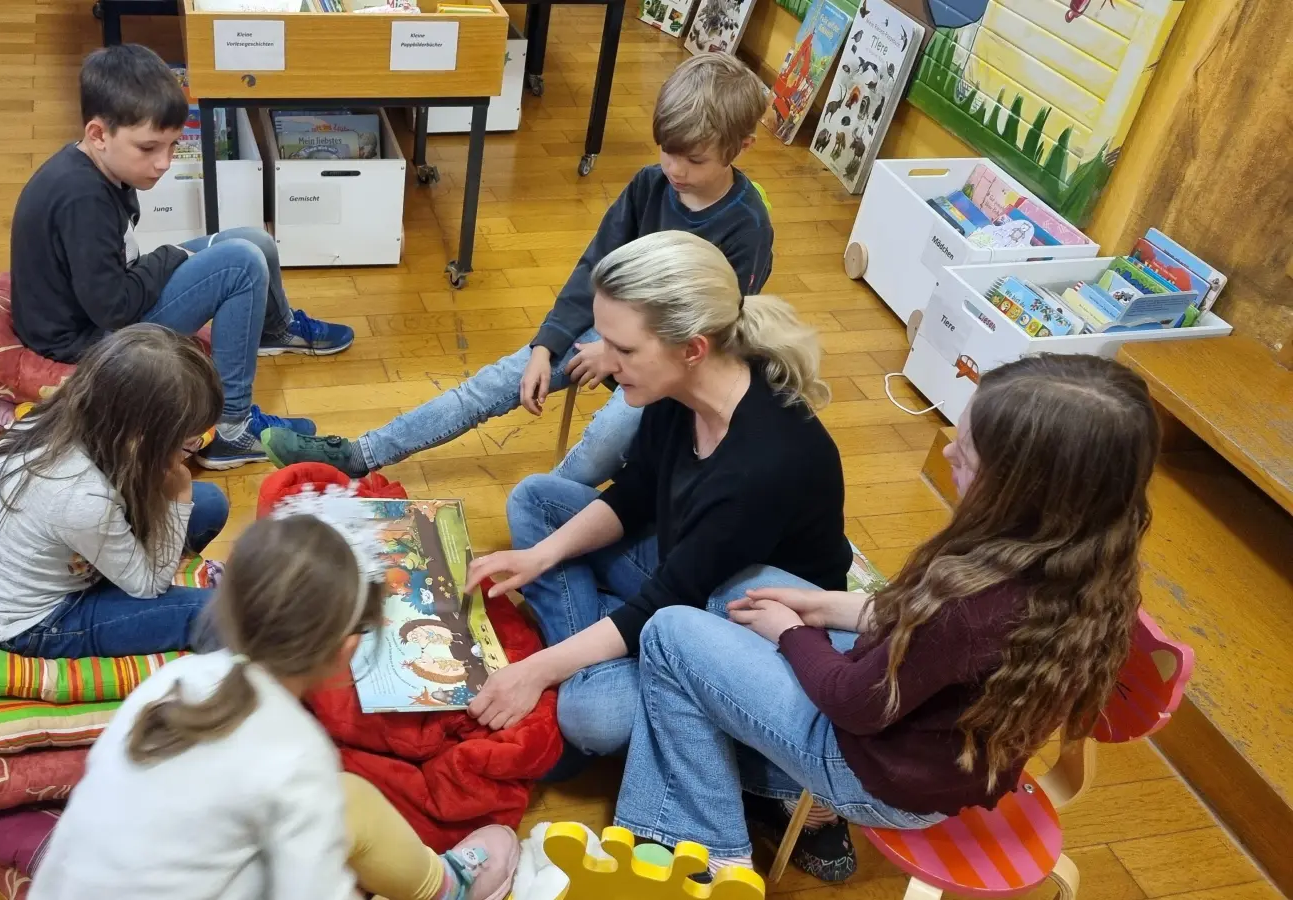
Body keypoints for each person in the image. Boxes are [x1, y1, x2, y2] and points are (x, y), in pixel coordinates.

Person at [612, 355, 1162, 883]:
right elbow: (919, 626)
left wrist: (794, 633)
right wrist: (825, 605)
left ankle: (714, 856)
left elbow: (855, 703)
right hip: (940, 756)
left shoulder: (973, 606)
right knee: (743, 586)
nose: (947, 454)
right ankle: (774, 785)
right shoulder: (1093, 563)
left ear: (1025, 491)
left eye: (966, 456)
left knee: (667, 633)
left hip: (876, 776)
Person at [261, 52, 774, 486]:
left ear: (742, 148)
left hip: (674, 366)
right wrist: (546, 345)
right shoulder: (649, 185)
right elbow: (595, 266)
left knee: (606, 441)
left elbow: (710, 336)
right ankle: (359, 454)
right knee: (487, 387)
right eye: (667, 151)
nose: (676, 170)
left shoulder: (746, 227)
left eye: (695, 160)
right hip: (615, 334)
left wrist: (618, 356)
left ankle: (552, 514)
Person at [465, 232, 851, 765]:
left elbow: (671, 602)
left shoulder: (764, 463)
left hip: (739, 623)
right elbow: (636, 494)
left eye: (622, 349)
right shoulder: (679, 390)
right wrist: (540, 556)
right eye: (604, 340)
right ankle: (600, 646)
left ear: (693, 348)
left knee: (593, 719)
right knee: (536, 499)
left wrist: (535, 668)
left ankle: (596, 653)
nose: (606, 361)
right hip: (687, 568)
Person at [29, 496, 520, 900]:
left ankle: (442, 887)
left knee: (346, 802)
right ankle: (450, 890)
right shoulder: (297, 753)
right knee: (344, 813)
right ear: (348, 648)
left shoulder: (173, 680)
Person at [9, 43, 355, 470]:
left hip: (106, 299)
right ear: (98, 134)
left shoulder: (100, 165)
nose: (164, 163)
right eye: (150, 148)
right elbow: (113, 307)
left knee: (255, 242)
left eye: (172, 146)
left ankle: (274, 329)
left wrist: (162, 261)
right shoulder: (82, 198)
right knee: (242, 265)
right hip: (89, 340)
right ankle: (230, 428)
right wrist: (168, 256)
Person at [0, 325, 230, 659]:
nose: (189, 450)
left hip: (67, 555)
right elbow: (148, 586)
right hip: (38, 622)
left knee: (208, 505)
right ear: (137, 436)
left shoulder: (73, 417)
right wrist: (178, 495)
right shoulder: (80, 497)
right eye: (185, 441)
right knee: (218, 614)